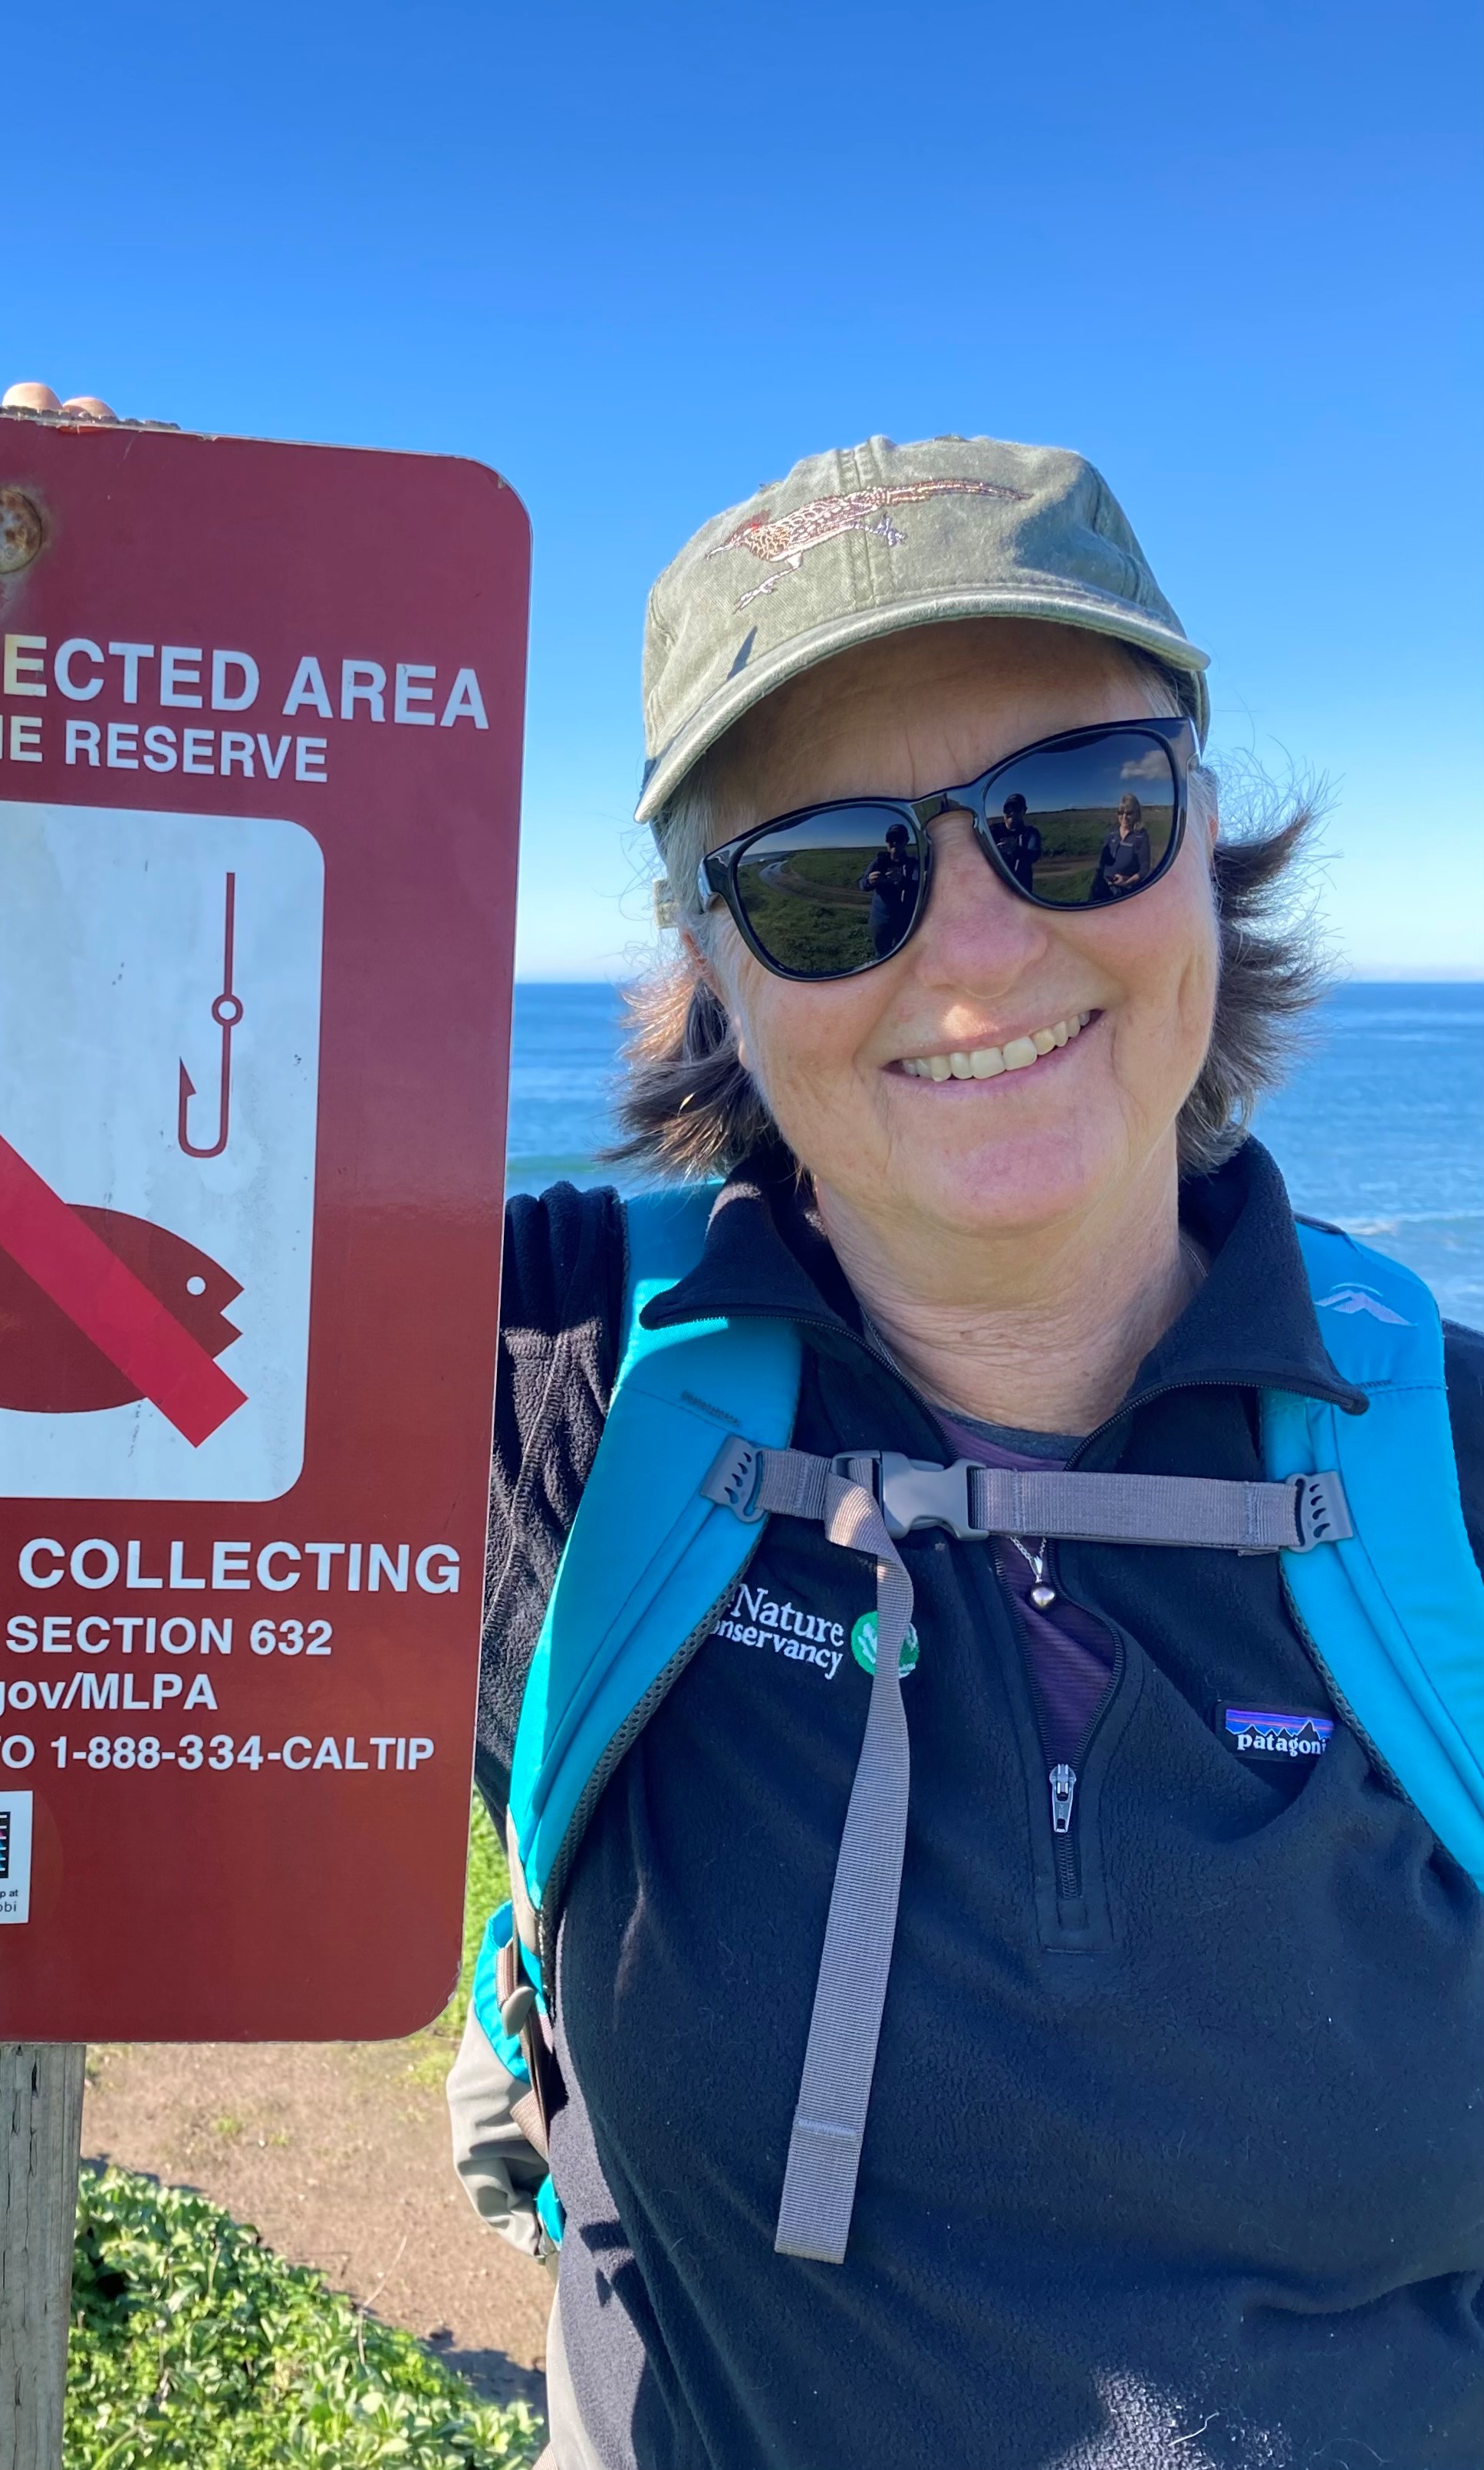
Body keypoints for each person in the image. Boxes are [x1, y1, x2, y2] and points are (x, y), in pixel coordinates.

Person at [462, 437, 1484, 2468]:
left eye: (1074, 821)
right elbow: (74, 1211)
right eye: (833, 880)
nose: (976, 952)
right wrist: (54, 640)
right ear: (710, 974)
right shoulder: (566, 1390)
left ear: (1200, 842)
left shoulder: (1447, 1462)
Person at [854, 822, 918, 958]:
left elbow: (919, 888)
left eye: (899, 839)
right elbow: (862, 884)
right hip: (880, 919)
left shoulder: (912, 864)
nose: (894, 843)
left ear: (906, 841)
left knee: (904, 953)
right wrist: (869, 881)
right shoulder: (878, 862)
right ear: (886, 842)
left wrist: (902, 880)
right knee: (881, 955)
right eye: (890, 840)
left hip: (904, 918)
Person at [1091, 789, 1151, 901]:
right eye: (1121, 812)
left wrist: (1127, 881)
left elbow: (1144, 869)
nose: (1124, 817)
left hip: (1124, 894)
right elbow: (1101, 864)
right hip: (1102, 889)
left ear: (1136, 814)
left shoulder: (1141, 836)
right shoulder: (1112, 833)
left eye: (1128, 813)